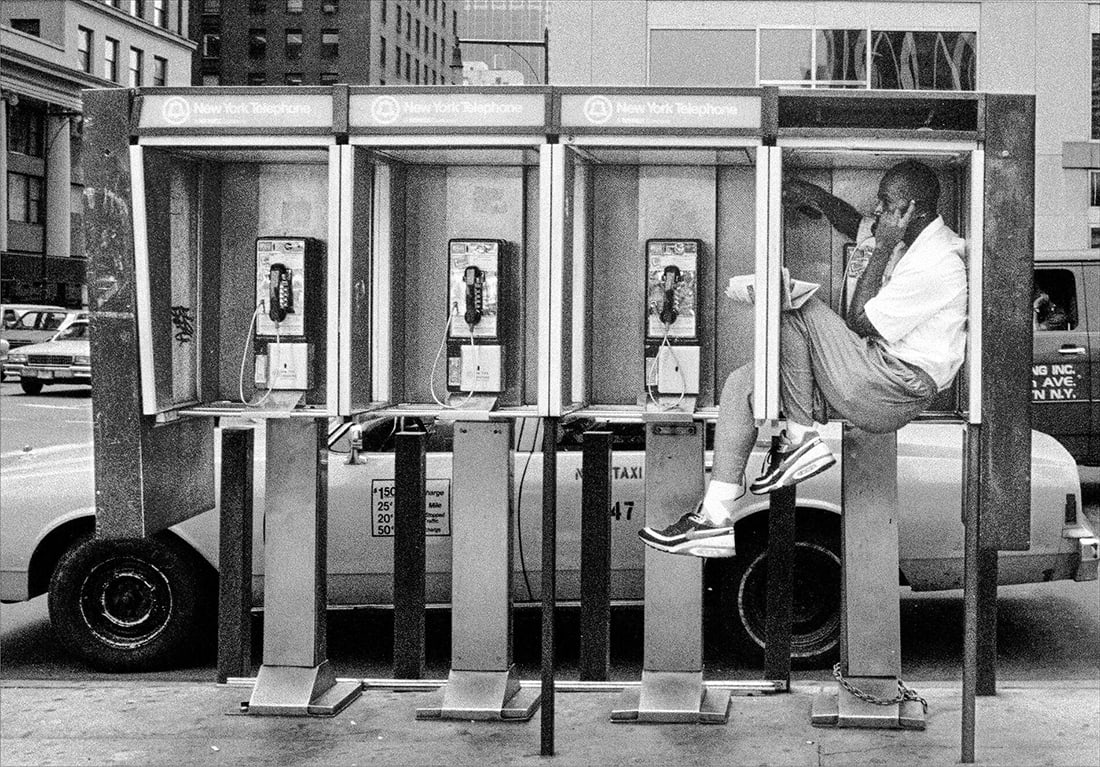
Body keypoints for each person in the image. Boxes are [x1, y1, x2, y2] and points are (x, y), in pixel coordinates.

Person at [640, 160, 968, 557]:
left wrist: (880, 248)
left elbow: (861, 323)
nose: (876, 211)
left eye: (884, 203)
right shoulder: (907, 241)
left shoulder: (938, 261)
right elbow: (854, 224)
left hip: (890, 384)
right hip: (868, 375)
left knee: (791, 303)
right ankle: (714, 519)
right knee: (743, 385)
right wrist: (814, 195)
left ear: (910, 209)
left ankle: (801, 439)